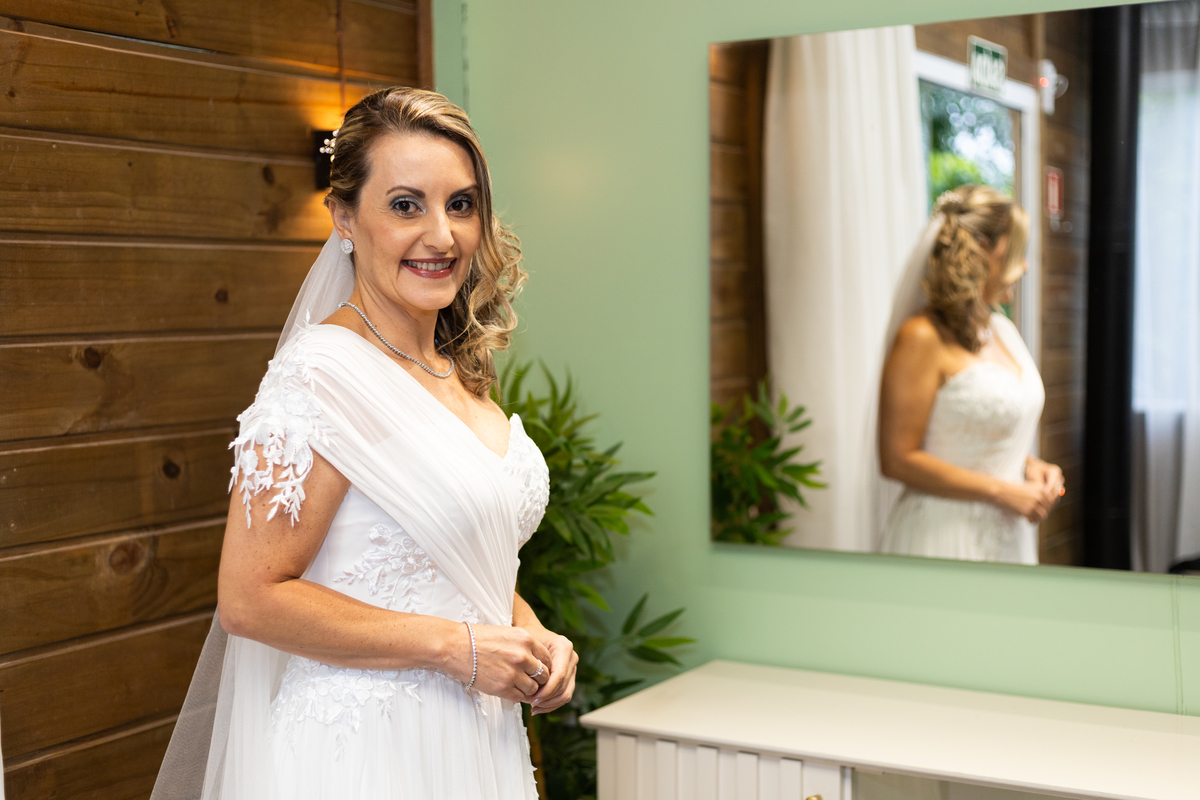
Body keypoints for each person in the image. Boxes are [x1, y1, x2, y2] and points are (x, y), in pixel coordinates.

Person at [151, 87, 575, 800]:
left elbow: (451, 561)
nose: (442, 236)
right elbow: (250, 599)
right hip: (364, 752)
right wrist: (459, 647)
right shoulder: (318, 377)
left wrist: (532, 636)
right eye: (406, 205)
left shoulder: (456, 367)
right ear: (344, 218)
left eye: (461, 205)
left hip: (476, 739)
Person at [878, 184, 1064, 564]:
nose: (1025, 266)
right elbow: (897, 458)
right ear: (981, 249)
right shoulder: (921, 337)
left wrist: (1031, 466)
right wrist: (1001, 491)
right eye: (1016, 252)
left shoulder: (1002, 330)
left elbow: (988, 434)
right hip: (942, 536)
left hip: (1007, 536)